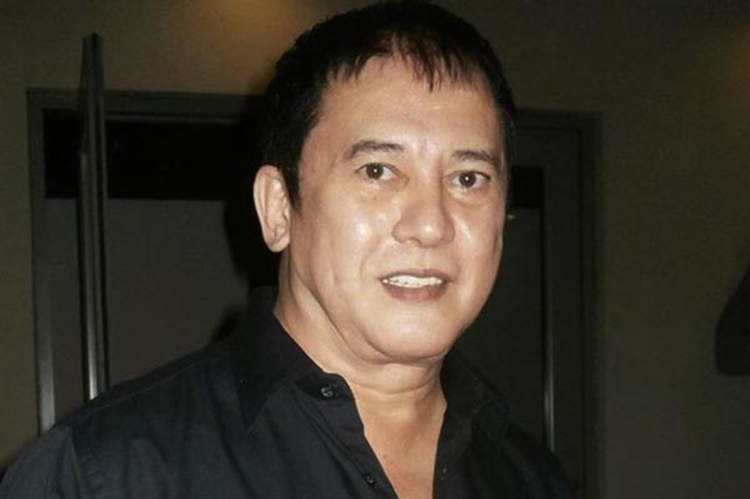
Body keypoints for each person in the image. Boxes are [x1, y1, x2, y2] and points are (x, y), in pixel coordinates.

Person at [0, 2, 572, 498]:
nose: (430, 225)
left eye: (469, 179)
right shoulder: (107, 474)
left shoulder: (534, 479)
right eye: (378, 170)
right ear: (278, 208)